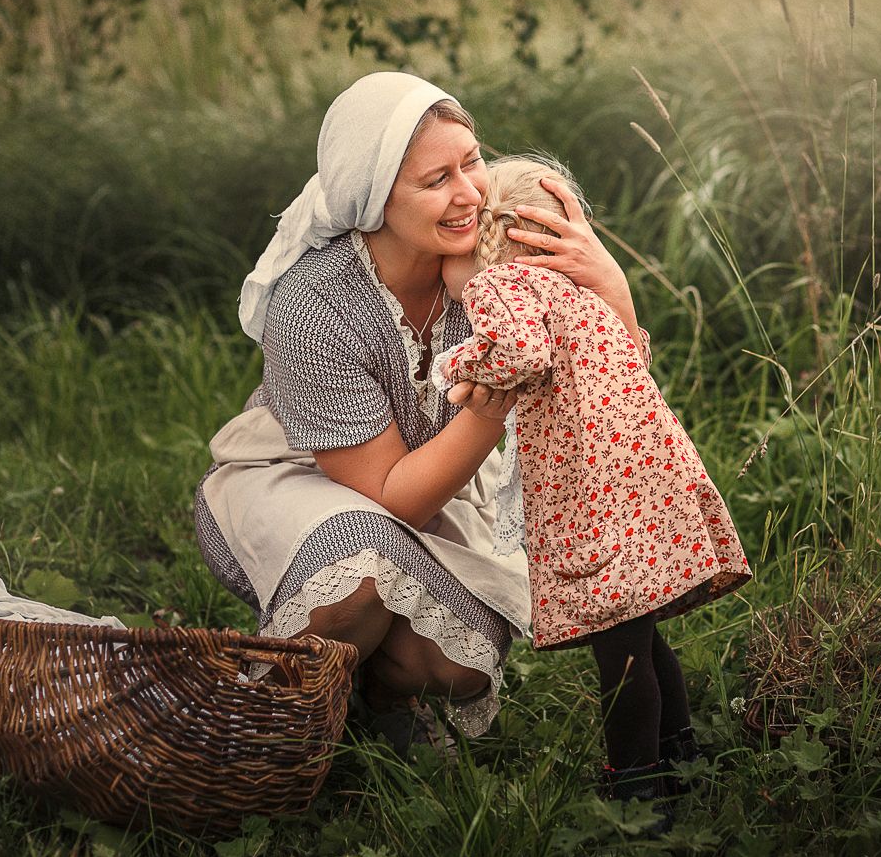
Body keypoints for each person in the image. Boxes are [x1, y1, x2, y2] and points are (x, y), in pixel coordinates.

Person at [192, 73, 639, 749]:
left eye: (471, 160)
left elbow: (615, 389)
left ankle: (372, 697)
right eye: (436, 180)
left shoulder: (495, 260)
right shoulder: (315, 305)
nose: (469, 192)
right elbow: (388, 496)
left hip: (440, 490)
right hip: (302, 485)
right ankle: (273, 732)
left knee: (453, 665)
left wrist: (609, 280)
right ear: (376, 200)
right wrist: (492, 408)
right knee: (360, 573)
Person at [436, 156, 752, 812]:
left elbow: (519, 353)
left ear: (498, 238)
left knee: (621, 657)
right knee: (641, 632)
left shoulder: (502, 288)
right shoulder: (577, 294)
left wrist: (455, 362)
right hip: (644, 483)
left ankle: (637, 789)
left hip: (594, 499)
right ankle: (681, 754)